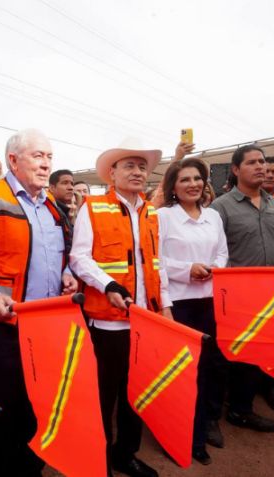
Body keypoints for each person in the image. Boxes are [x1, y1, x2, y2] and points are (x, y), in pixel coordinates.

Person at [0, 129, 76, 477]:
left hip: (47, 327)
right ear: (13, 160)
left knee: (40, 408)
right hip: (3, 329)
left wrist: (66, 274)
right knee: (7, 415)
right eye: (38, 156)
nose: (46, 163)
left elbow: (59, 256)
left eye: (49, 156)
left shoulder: (51, 205)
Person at [70, 138, 170, 477]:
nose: (138, 171)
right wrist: (108, 285)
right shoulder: (92, 207)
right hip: (109, 325)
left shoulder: (152, 212)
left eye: (142, 166)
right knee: (103, 396)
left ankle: (125, 454)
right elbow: (79, 259)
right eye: (129, 165)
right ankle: (97, 459)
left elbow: (158, 264)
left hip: (147, 321)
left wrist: (166, 307)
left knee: (137, 395)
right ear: (112, 173)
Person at [209, 145, 274, 433]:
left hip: (269, 296)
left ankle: (241, 410)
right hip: (231, 297)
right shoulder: (220, 207)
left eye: (263, 162)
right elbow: (212, 251)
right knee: (226, 356)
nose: (260, 167)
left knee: (256, 355)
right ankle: (213, 414)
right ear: (235, 170)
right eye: (252, 162)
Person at [158, 158, 228, 465]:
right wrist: (188, 270)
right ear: (173, 185)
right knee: (180, 373)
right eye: (185, 179)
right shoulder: (162, 216)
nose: (193, 184)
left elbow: (223, 253)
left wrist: (214, 269)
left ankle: (197, 436)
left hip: (209, 302)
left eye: (197, 178)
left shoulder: (213, 216)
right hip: (178, 304)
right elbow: (155, 262)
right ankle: (176, 432)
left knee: (207, 371)